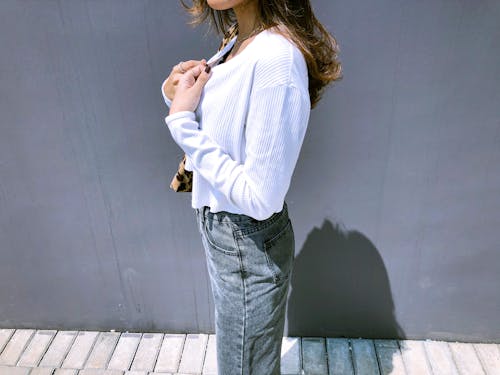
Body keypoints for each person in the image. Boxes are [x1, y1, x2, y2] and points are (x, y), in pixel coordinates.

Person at [161, 0, 342, 373]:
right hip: (228, 237)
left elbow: (260, 198)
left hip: (247, 244)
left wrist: (181, 124)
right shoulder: (237, 38)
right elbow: (223, 127)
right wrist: (175, 91)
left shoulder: (276, 58)